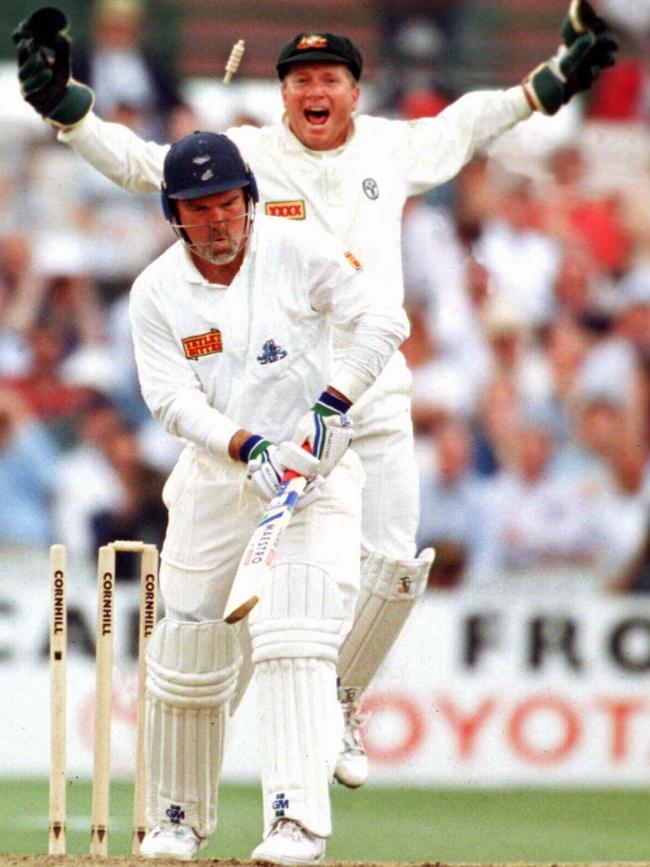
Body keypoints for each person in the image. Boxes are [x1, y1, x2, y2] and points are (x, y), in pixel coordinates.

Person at [13, 0, 618, 788]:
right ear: (282, 94)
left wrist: (549, 81)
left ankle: (343, 698)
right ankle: (200, 743)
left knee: (396, 567)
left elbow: (473, 121)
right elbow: (145, 165)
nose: (313, 91)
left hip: (373, 393)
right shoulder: (249, 154)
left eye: (328, 76)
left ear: (354, 91)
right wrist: (66, 109)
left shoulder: (393, 146)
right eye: (299, 79)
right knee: (235, 592)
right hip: (284, 407)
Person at [128, 131, 406, 861]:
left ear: (248, 200)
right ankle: (176, 816)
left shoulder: (297, 249)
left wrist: (330, 406)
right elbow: (169, 399)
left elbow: (384, 318)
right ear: (174, 214)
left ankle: (296, 820)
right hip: (218, 482)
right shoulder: (156, 290)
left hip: (310, 477)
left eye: (227, 203)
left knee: (295, 636)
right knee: (187, 651)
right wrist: (245, 446)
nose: (217, 222)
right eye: (198, 209)